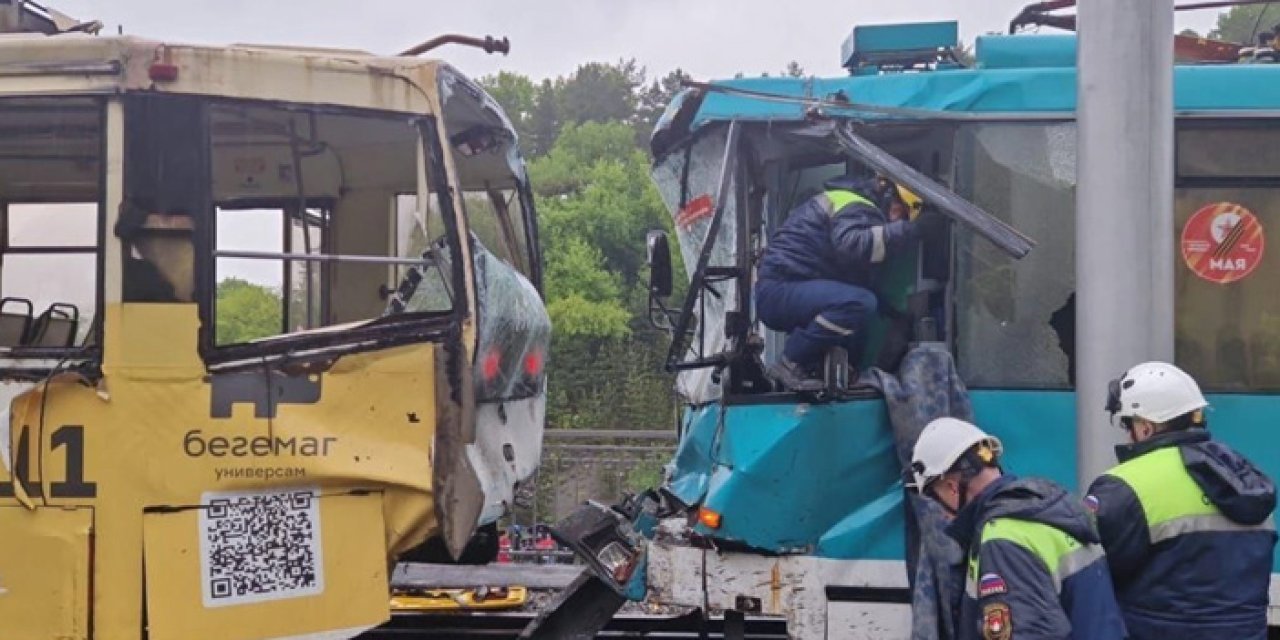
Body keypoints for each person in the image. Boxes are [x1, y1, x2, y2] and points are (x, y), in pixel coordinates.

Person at [1086, 361, 1277, 639]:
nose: (1128, 434)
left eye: (1128, 424)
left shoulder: (1126, 485)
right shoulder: (1243, 477)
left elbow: (1089, 575)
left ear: (1146, 427)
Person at [911, 417, 1126, 640]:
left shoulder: (1003, 540)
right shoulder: (1051, 511)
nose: (943, 514)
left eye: (936, 498)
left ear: (952, 487)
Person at [755, 174, 940, 391]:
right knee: (859, 303)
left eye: (905, 218)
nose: (898, 220)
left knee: (862, 309)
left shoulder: (856, 205)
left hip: (788, 289)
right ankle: (790, 362)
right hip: (781, 290)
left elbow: (849, 268)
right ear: (889, 196)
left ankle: (833, 373)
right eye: (901, 211)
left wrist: (889, 308)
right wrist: (913, 230)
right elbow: (851, 246)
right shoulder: (857, 205)